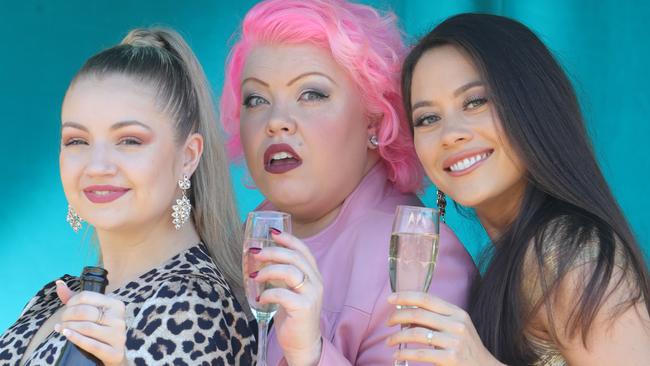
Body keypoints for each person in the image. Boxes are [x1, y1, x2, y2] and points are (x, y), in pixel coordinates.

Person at [219, 1, 476, 365]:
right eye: (256, 99)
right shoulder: (245, 241)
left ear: (374, 119)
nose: (276, 121)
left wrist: (312, 354)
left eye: (312, 94)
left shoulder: (417, 259)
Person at [388, 13, 650, 365]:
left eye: (476, 101)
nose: (451, 133)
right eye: (428, 118)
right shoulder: (515, 257)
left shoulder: (566, 252)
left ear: (531, 107)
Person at [0, 28, 255, 365]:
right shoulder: (54, 296)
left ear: (188, 156)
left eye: (130, 140)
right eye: (77, 140)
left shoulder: (190, 303)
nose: (98, 165)